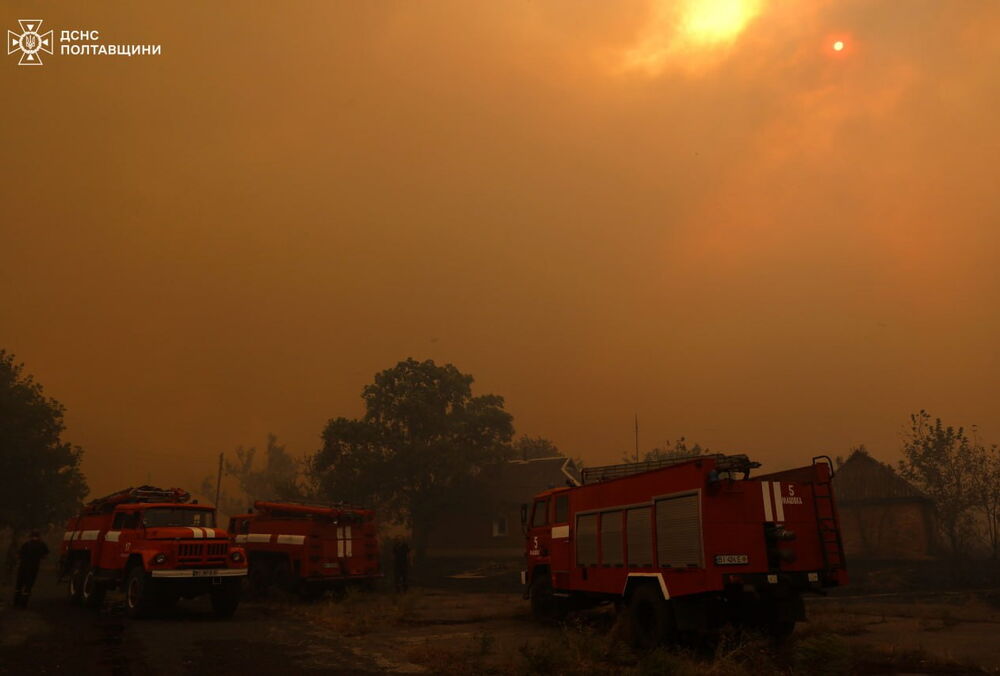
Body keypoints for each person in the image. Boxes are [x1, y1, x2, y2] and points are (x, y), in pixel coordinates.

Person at [13, 530, 49, 609]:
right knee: (28, 586)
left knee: (19, 584)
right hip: (33, 568)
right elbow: (45, 554)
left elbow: (19, 555)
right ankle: (23, 604)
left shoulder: (27, 544)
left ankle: (16, 602)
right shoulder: (41, 545)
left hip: (23, 567)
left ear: (31, 536)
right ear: (39, 537)